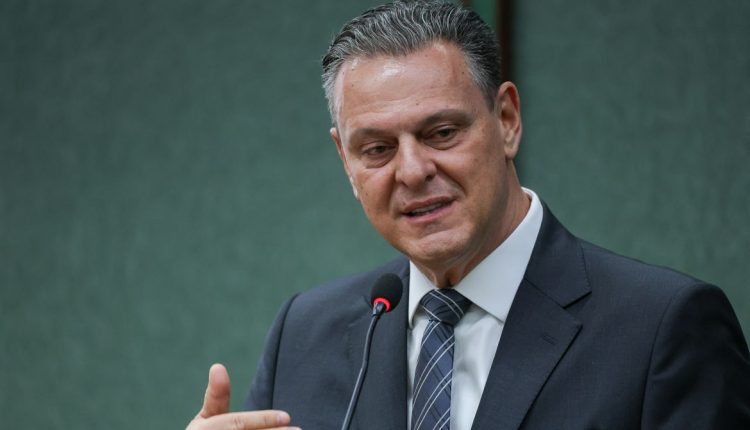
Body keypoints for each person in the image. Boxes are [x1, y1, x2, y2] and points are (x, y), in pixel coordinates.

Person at [186, 1, 750, 429]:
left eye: (442, 133)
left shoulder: (663, 328)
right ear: (345, 161)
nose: (412, 171)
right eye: (377, 149)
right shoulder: (306, 333)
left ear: (506, 120)